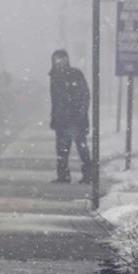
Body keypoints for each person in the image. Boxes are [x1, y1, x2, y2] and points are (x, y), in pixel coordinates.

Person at [49, 49, 93, 184]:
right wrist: (55, 116)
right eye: (57, 60)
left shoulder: (74, 75)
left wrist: (81, 113)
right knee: (62, 150)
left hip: (75, 119)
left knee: (81, 149)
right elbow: (56, 100)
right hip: (63, 119)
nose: (60, 63)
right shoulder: (55, 76)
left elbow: (84, 95)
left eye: (62, 60)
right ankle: (64, 175)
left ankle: (87, 175)